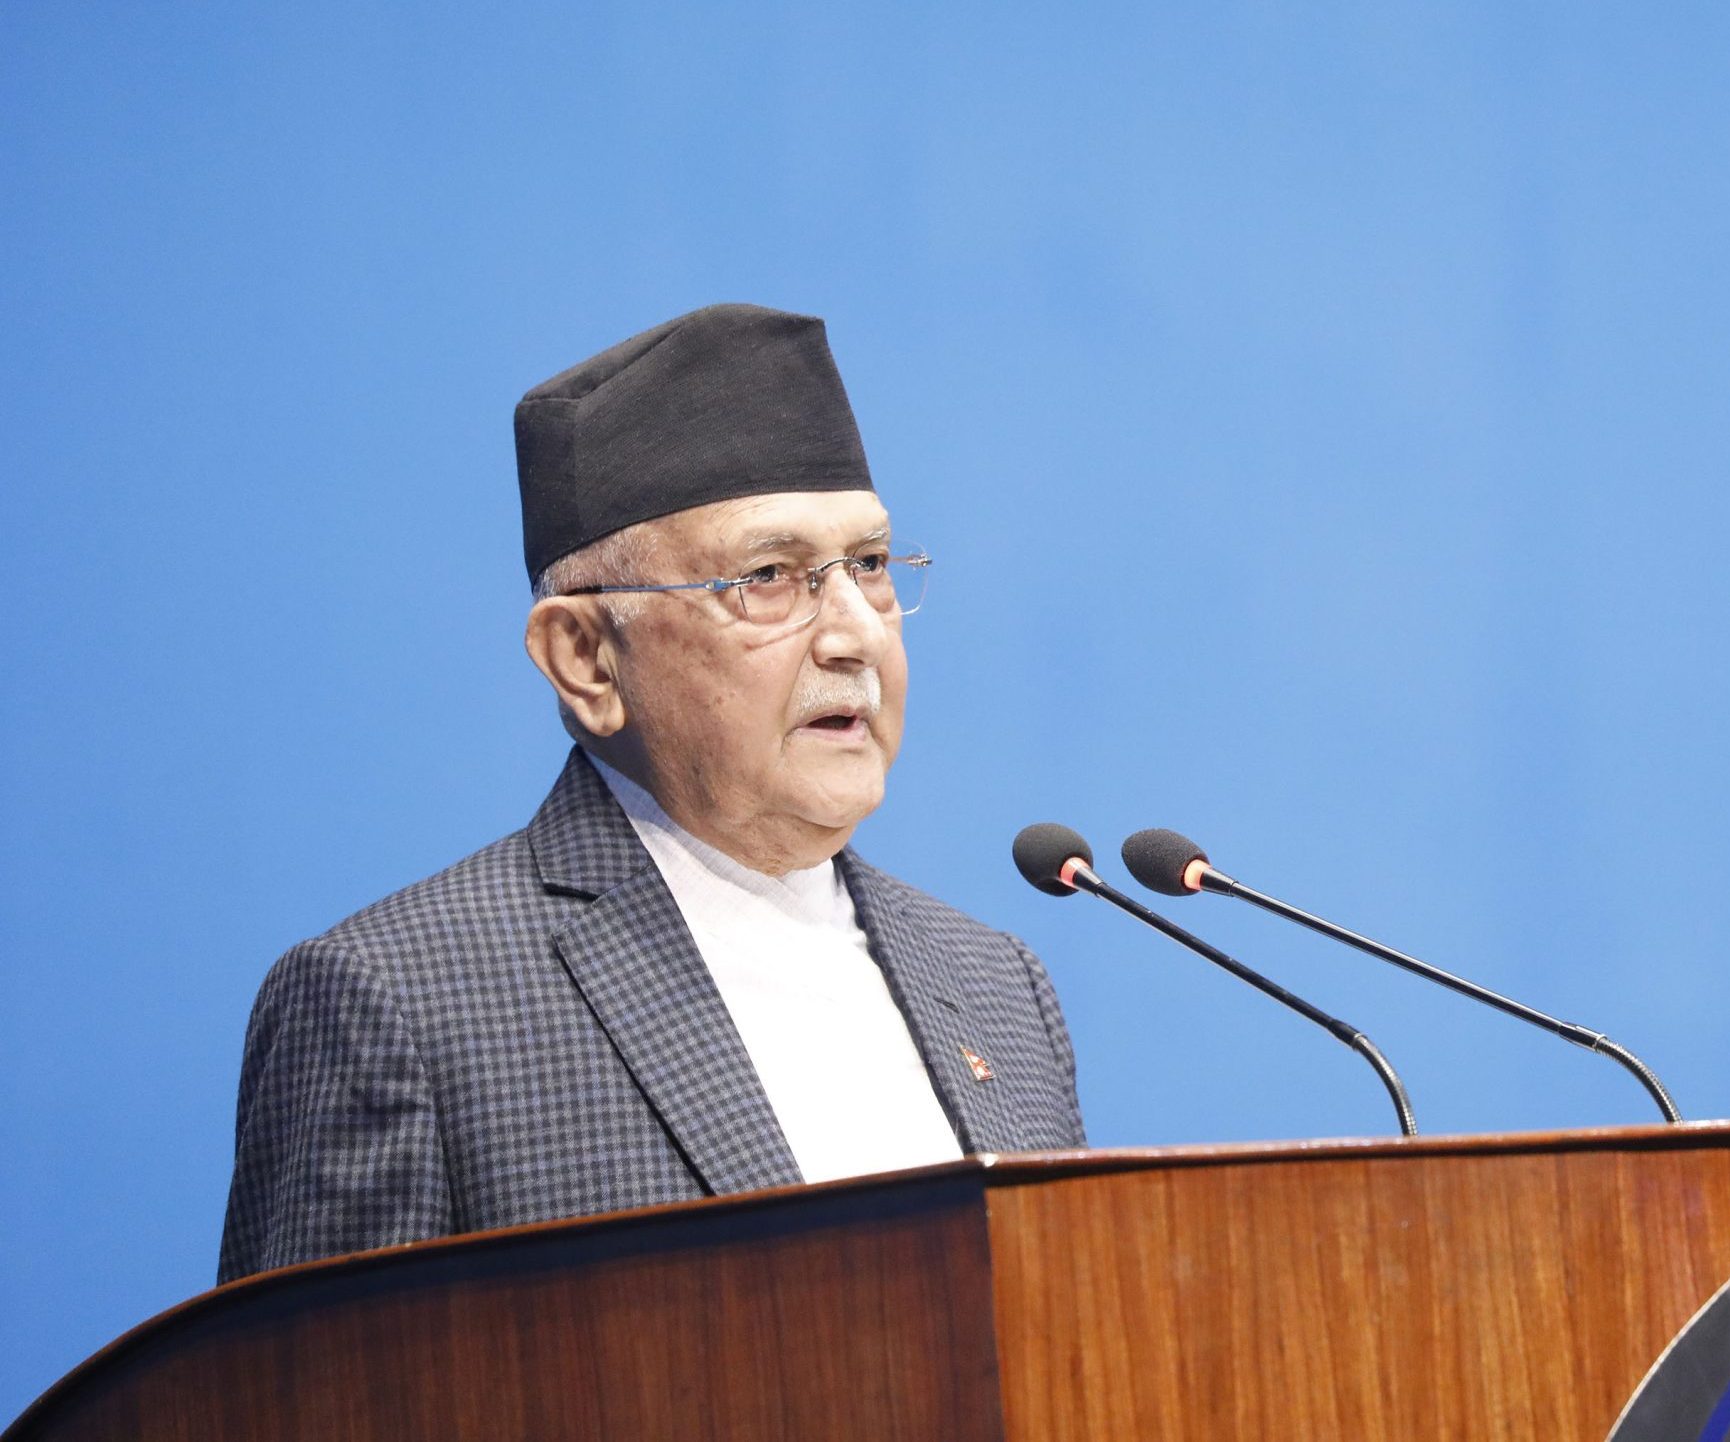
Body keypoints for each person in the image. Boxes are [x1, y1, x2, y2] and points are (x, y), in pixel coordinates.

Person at [217, 303, 1082, 1284]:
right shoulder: (399, 1004)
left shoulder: (997, 983)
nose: (855, 635)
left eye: (871, 566)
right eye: (770, 576)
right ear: (585, 658)